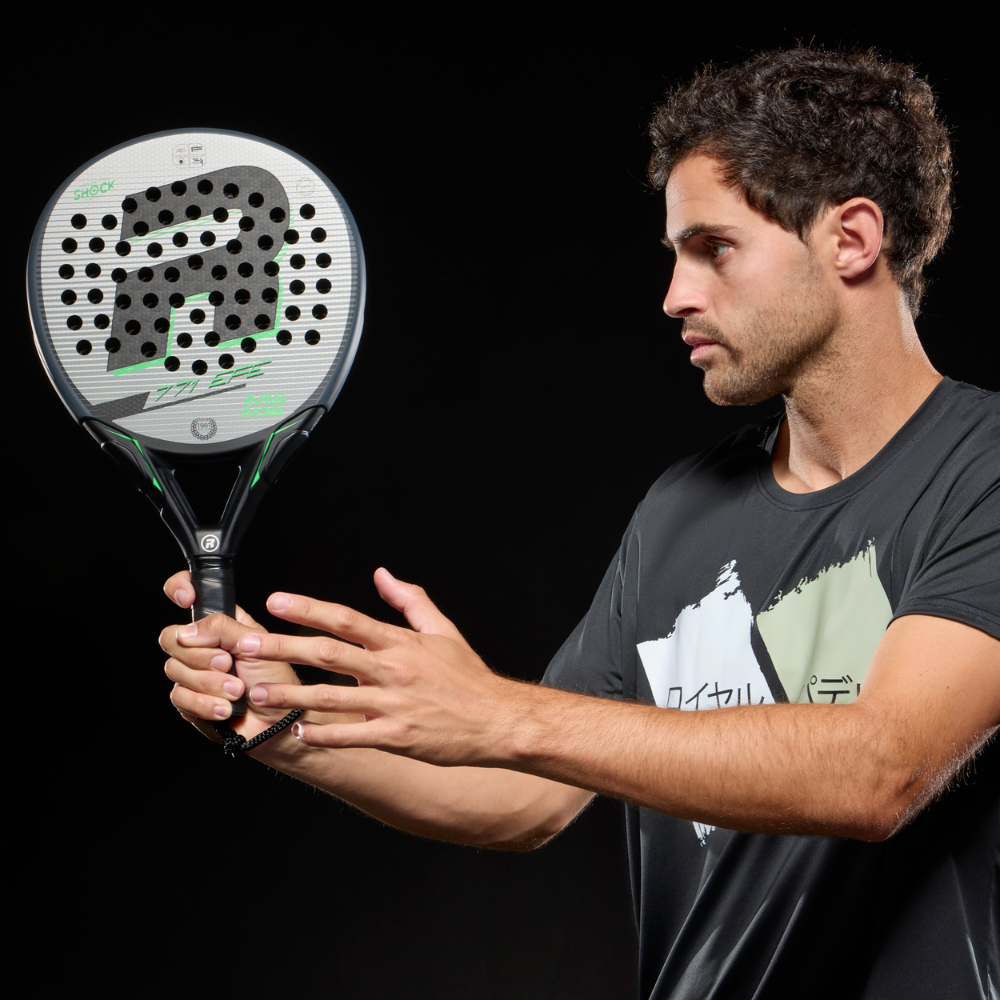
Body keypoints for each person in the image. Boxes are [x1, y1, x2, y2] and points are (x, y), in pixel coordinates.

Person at [160, 47, 999, 998]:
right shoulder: (683, 510)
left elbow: (880, 770)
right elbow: (525, 795)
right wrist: (287, 727)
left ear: (851, 239)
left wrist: (504, 710)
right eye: (675, 255)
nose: (675, 296)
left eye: (714, 248)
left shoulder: (984, 472)